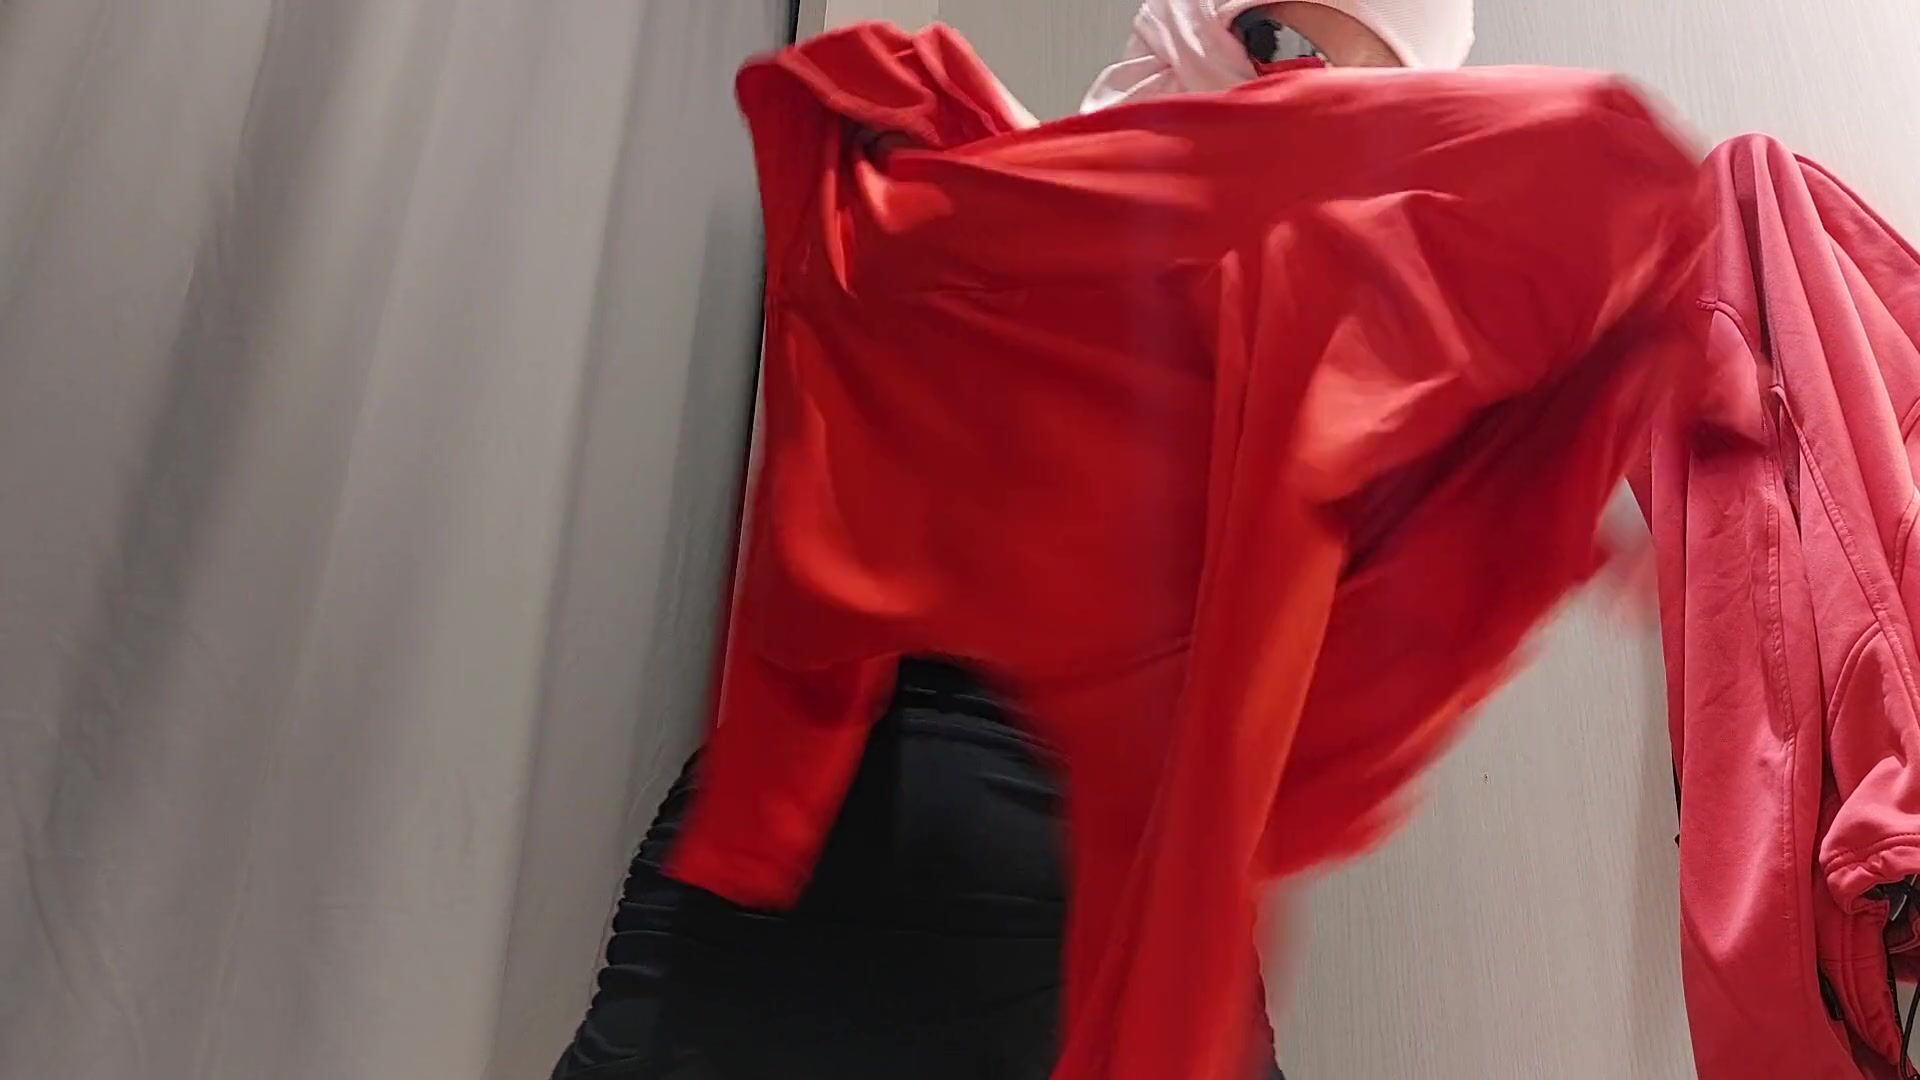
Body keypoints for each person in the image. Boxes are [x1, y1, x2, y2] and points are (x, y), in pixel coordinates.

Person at [551, 2, 1683, 1077]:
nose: (1301, 99)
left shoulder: (1309, 333)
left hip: (1050, 870)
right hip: (907, 847)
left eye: (1361, 91)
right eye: (1282, 46)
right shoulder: (968, 200)